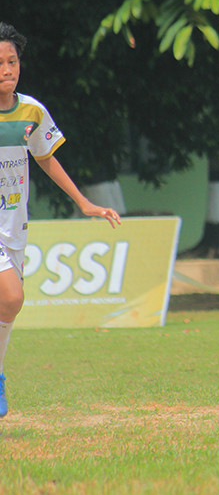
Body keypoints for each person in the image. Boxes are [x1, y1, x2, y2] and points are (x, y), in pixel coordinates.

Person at [0, 22, 122, 417]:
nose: (6, 69)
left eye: (12, 61)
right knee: (12, 296)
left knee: (9, 306)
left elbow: (46, 158)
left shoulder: (31, 110)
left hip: (14, 224)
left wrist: (84, 202)